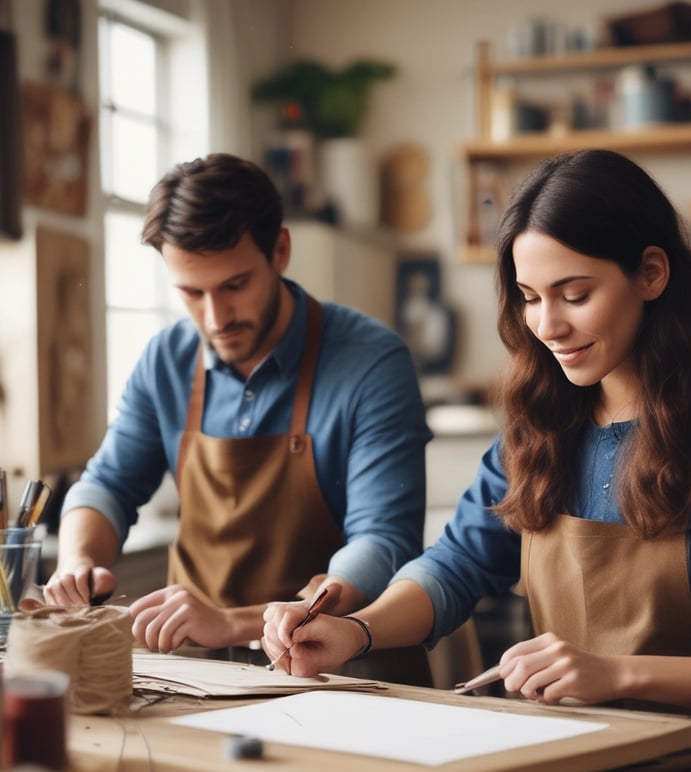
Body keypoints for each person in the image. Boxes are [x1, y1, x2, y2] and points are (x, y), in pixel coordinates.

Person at [263, 149, 691, 772]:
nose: (548, 324)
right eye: (530, 297)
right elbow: (458, 564)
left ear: (652, 274)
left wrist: (616, 673)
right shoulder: (541, 426)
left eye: (574, 293)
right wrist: (357, 628)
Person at [42, 153, 432, 665]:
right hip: (198, 674)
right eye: (191, 292)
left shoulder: (371, 362)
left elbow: (382, 544)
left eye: (235, 285)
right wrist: (77, 561)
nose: (216, 317)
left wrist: (231, 622)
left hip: (339, 672)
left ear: (281, 251)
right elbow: (107, 485)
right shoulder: (166, 359)